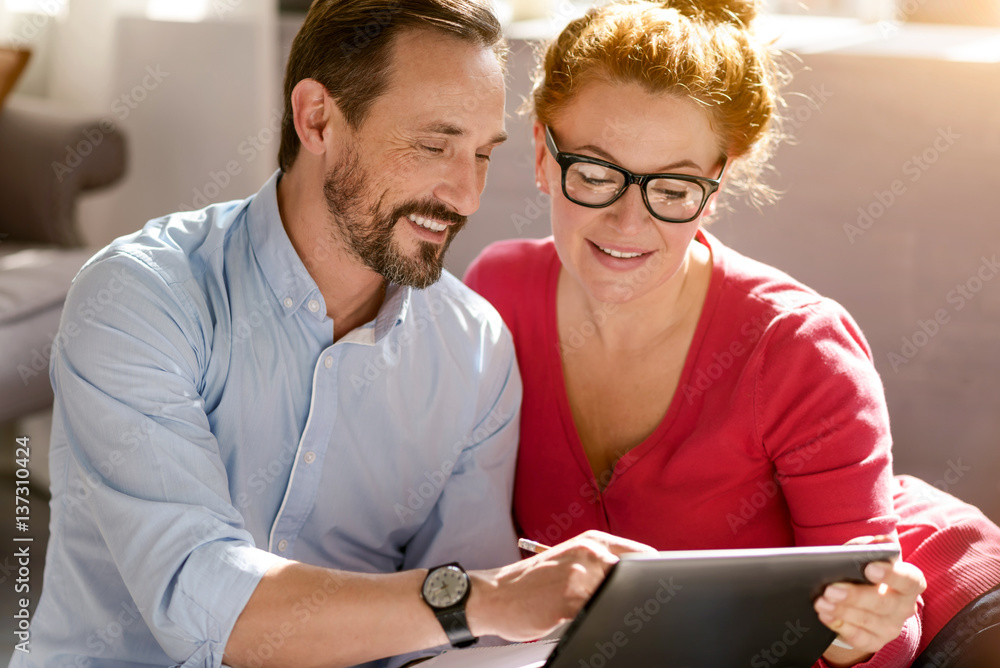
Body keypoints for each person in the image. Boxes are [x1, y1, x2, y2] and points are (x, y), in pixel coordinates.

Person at [12, 2, 651, 667]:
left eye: (483, 154)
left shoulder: (474, 347)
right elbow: (201, 598)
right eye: (434, 145)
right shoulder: (140, 298)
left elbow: (461, 647)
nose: (466, 195)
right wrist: (483, 598)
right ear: (317, 117)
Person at [464, 1, 1000, 666]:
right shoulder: (497, 294)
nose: (629, 222)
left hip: (957, 615)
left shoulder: (803, 348)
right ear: (543, 156)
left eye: (674, 188)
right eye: (596, 175)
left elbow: (883, 637)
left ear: (715, 188)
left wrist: (856, 633)